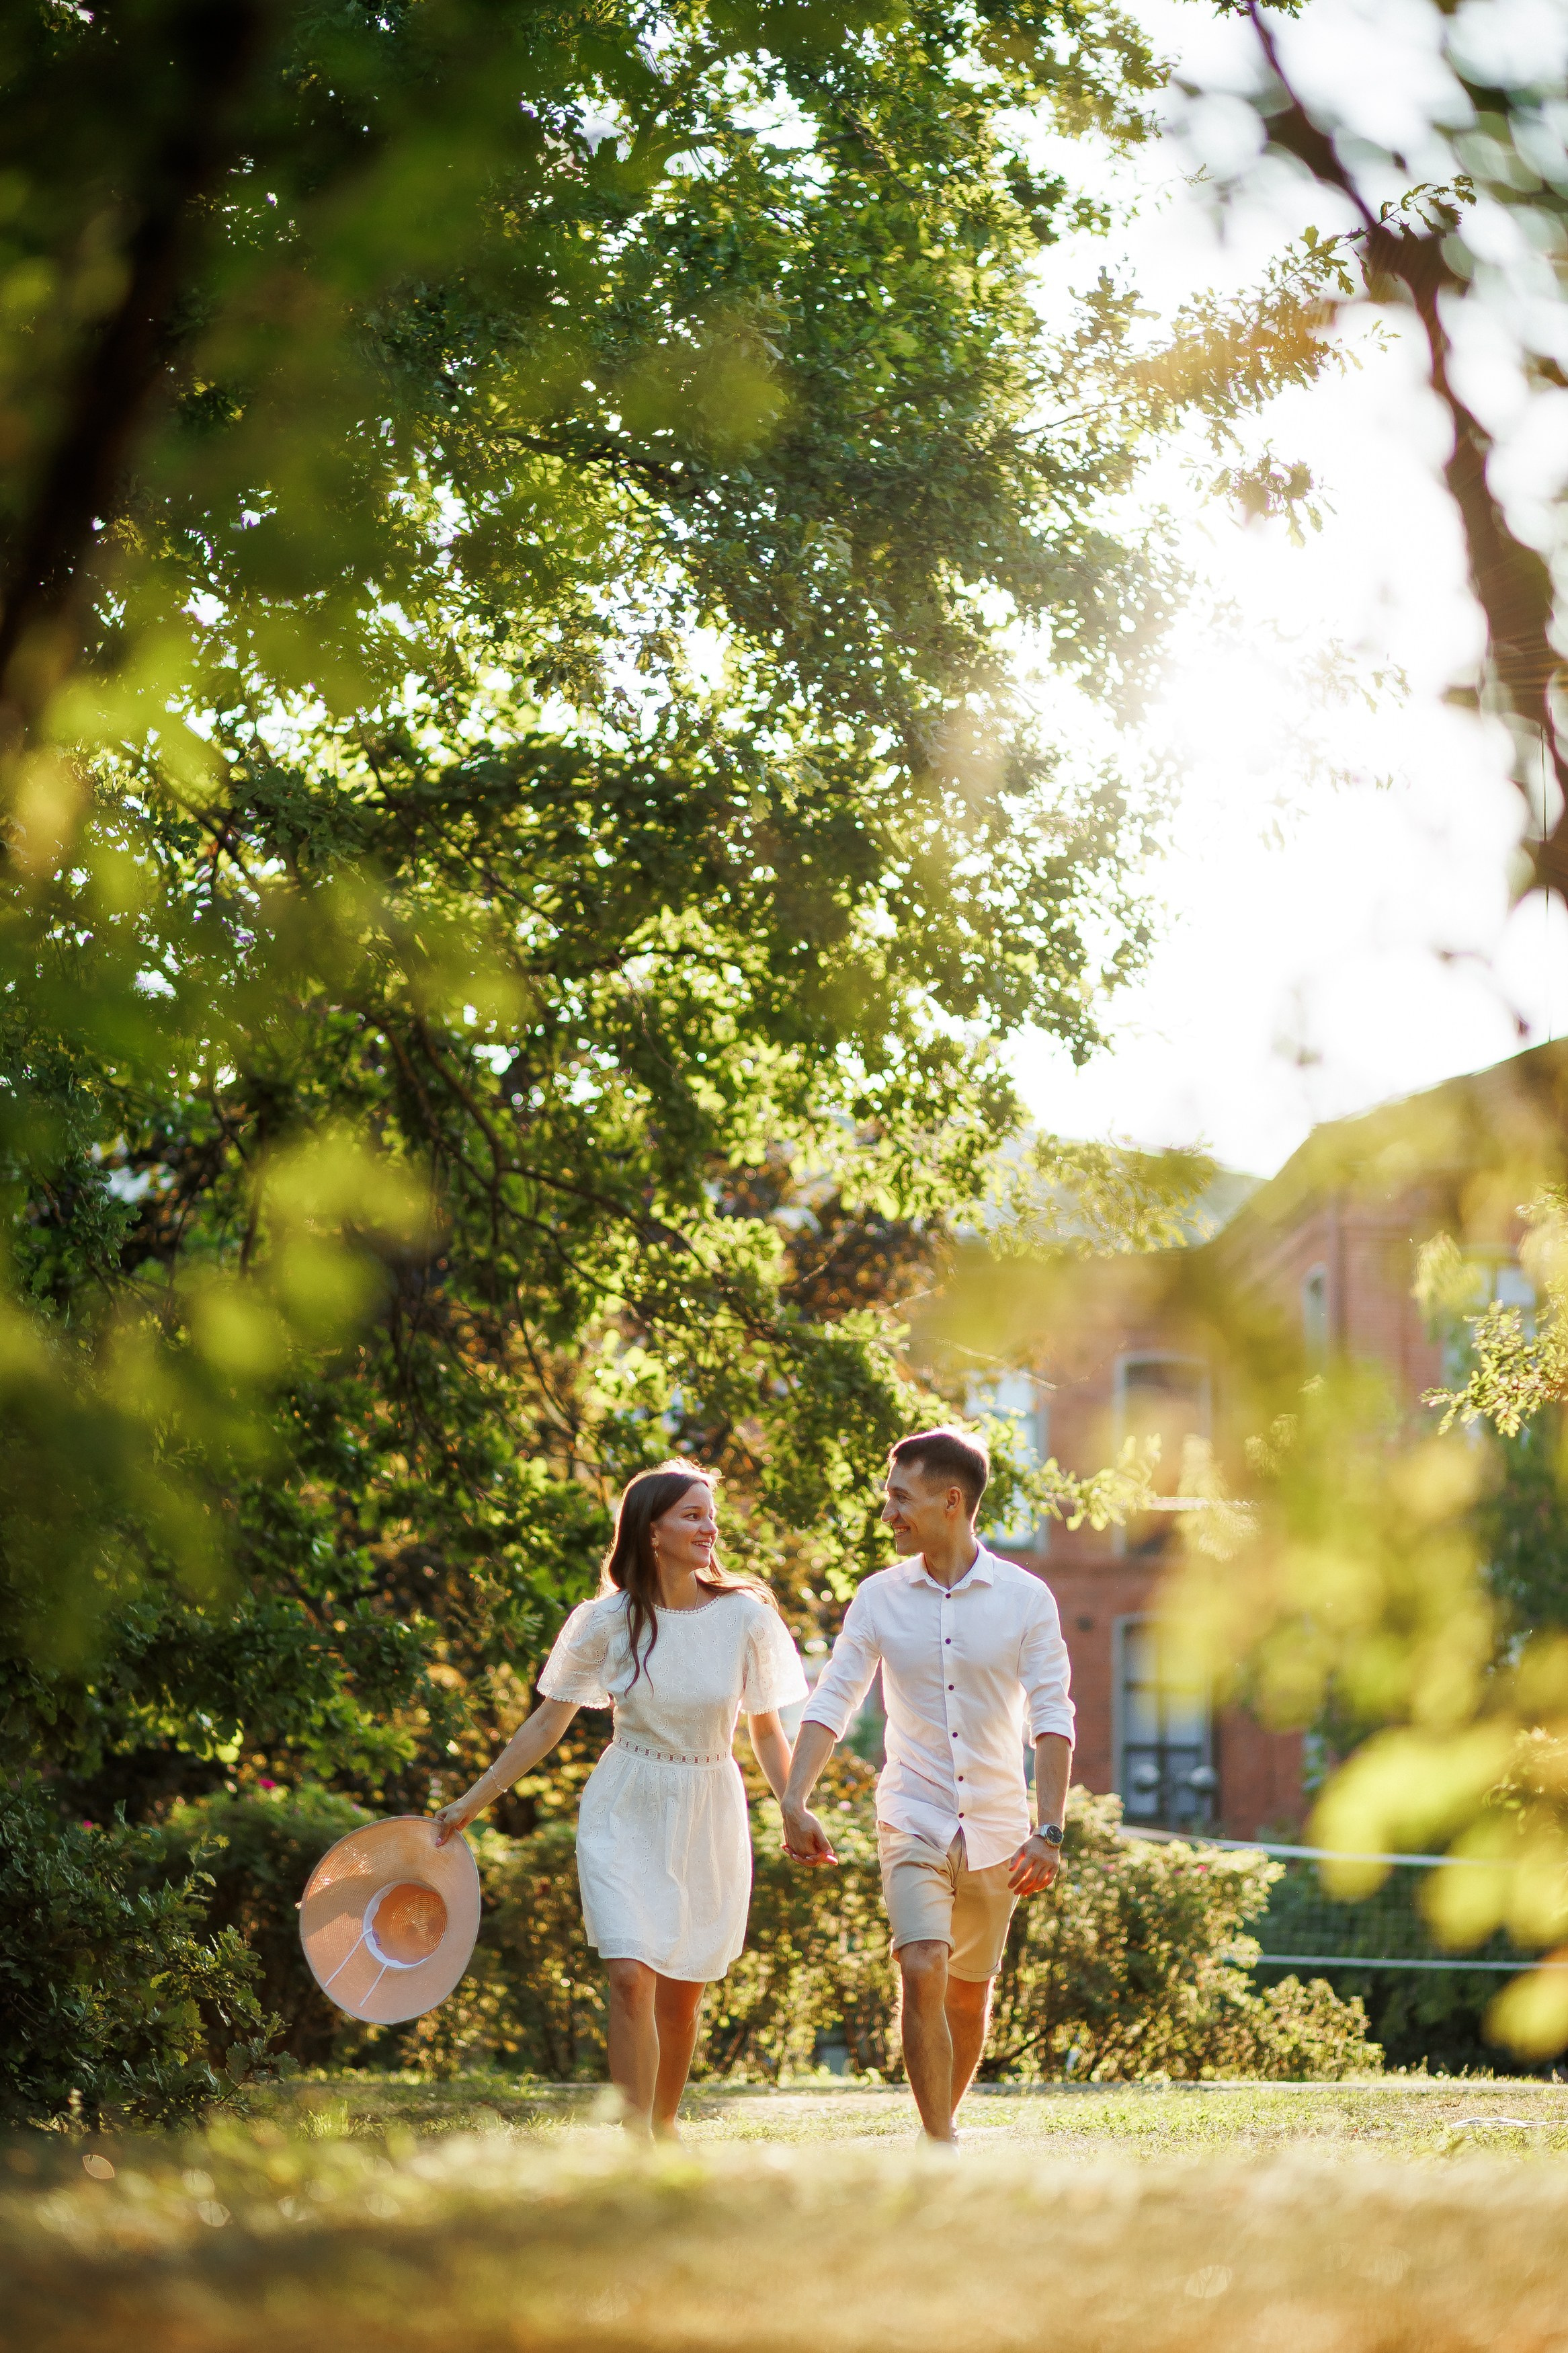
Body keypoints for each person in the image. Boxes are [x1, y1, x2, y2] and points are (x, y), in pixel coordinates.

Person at [434, 1460, 807, 2138]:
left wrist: (793, 1804)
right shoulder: (604, 1621)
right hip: (625, 1803)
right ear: (650, 1529)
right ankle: (635, 2140)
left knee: (682, 1992)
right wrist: (469, 1801)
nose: (708, 1526)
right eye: (692, 1514)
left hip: (708, 1805)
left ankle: (662, 2129)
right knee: (630, 1974)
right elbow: (544, 1724)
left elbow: (765, 1728)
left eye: (709, 1514)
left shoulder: (744, 1618)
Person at [782, 1425, 1073, 2144]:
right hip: (912, 1811)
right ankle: (937, 2139)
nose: (887, 1514)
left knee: (969, 1996)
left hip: (999, 1824)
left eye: (898, 1498)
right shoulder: (879, 1597)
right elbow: (834, 1696)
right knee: (920, 1963)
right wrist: (794, 1797)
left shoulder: (1026, 1598)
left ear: (950, 1500)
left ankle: (941, 2123)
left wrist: (1049, 1827)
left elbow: (1051, 1713)